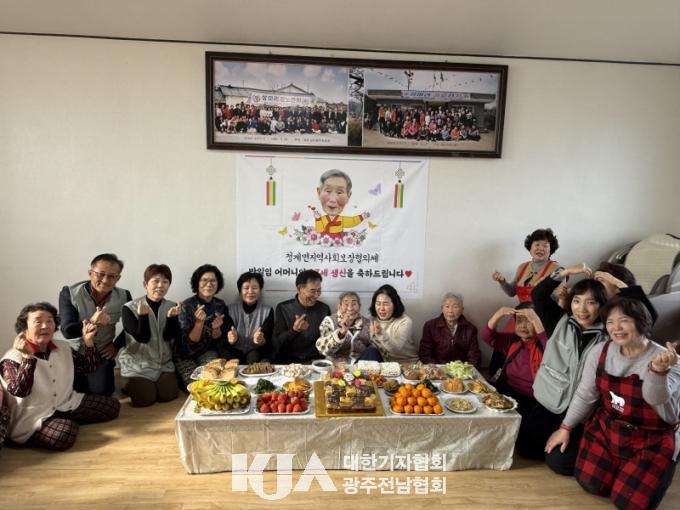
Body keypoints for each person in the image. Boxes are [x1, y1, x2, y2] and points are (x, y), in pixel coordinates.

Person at [546, 297, 680, 510]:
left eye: (624, 320)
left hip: (650, 438)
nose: (616, 327)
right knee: (589, 482)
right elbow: (585, 395)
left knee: (629, 503)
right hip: (609, 430)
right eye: (610, 321)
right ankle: (619, 470)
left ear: (641, 321)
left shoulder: (668, 360)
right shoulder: (600, 351)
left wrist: (657, 371)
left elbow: (656, 399)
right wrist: (565, 427)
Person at [0, 303, 120, 450]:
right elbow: (20, 392)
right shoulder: (12, 358)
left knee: (113, 407)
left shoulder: (63, 347)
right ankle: (44, 430)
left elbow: (89, 368)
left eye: (50, 321)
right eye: (38, 322)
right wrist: (27, 358)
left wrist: (88, 342)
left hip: (65, 403)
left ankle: (60, 421)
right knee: (65, 434)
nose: (45, 326)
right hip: (33, 417)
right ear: (24, 328)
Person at [524, 268, 608, 472]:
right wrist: (565, 271)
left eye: (591, 302)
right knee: (527, 449)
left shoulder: (609, 334)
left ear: (602, 305)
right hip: (549, 402)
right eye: (577, 301)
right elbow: (538, 294)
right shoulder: (558, 321)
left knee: (559, 463)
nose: (582, 309)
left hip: (580, 413)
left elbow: (647, 316)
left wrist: (616, 283)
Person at [59, 253, 132, 396]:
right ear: (90, 273)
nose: (105, 280)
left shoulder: (124, 296)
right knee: (72, 392)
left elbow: (131, 327)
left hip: (101, 353)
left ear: (118, 278)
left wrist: (116, 346)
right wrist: (93, 321)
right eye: (100, 274)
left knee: (103, 392)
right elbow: (67, 331)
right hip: (75, 353)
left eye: (111, 276)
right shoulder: (70, 293)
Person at [120, 264, 180, 407]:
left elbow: (168, 337)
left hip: (163, 365)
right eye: (155, 281)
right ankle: (128, 383)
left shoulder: (172, 306)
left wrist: (171, 318)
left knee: (168, 395)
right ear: (145, 284)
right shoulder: (129, 308)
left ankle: (153, 384)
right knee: (145, 399)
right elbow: (142, 338)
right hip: (138, 366)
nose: (160, 285)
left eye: (165, 282)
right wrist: (142, 317)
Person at [481, 303, 548, 419]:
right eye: (519, 321)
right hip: (505, 389)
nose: (523, 325)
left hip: (528, 399)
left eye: (529, 321)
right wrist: (498, 315)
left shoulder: (543, 344)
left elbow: (550, 349)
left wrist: (536, 320)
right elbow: (486, 336)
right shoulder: (513, 340)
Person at [174, 264, 233, 388]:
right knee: (196, 386)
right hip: (185, 355)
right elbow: (189, 343)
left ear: (218, 284)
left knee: (213, 383)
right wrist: (199, 323)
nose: (209, 284)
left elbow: (217, 338)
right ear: (197, 283)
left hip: (207, 352)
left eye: (213, 280)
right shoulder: (186, 306)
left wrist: (216, 328)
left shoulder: (220, 305)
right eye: (204, 280)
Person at [273, 270, 330, 363]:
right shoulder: (283, 308)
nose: (316, 295)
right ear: (299, 289)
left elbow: (327, 340)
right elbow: (277, 344)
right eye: (312, 291)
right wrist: (294, 330)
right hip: (289, 361)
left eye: (319, 290)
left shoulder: (324, 309)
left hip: (315, 361)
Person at [492, 228, 560, 303]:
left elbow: (560, 299)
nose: (541, 248)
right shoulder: (522, 267)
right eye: (537, 244)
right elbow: (511, 292)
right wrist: (502, 281)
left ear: (551, 250)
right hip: (522, 310)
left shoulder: (556, 269)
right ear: (530, 248)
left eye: (545, 246)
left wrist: (544, 289)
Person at [418, 293, 481, 366]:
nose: (450, 311)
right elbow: (425, 353)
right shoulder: (430, 326)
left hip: (460, 369)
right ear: (442, 308)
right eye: (447, 306)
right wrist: (437, 368)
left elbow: (474, 356)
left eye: (455, 307)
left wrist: (464, 369)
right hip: (437, 367)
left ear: (462, 310)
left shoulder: (470, 329)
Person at [226, 271, 274, 363]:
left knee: (256, 358)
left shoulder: (268, 310)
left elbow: (267, 335)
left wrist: (261, 339)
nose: (250, 291)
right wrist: (231, 339)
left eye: (254, 288)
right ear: (240, 292)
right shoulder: (229, 309)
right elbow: (227, 335)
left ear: (260, 291)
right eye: (246, 288)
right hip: (235, 350)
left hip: (257, 350)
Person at [309, 169, 370, 239]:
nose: (332, 200)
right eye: (328, 191)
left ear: (348, 196)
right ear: (319, 193)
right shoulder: (323, 219)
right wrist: (318, 219)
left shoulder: (341, 220)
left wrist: (362, 216)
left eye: (339, 192)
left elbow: (352, 221)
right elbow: (319, 229)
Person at [365, 284, 418, 363]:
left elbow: (395, 350)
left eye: (385, 304)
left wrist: (380, 333)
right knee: (370, 351)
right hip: (381, 363)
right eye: (378, 304)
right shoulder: (370, 319)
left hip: (404, 363)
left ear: (394, 305)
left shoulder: (405, 321)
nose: (381, 308)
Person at [316, 291, 371, 364]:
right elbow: (323, 349)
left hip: (360, 364)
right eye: (346, 304)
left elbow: (372, 348)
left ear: (359, 306)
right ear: (339, 306)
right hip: (334, 364)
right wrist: (340, 334)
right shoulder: (329, 321)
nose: (350, 308)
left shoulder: (367, 323)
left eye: (354, 304)